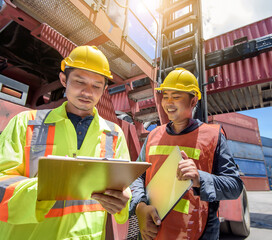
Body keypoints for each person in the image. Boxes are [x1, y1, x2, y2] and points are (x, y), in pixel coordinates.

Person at [0, 45, 131, 239]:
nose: (87, 92)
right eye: (79, 82)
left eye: (96, 86)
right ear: (64, 80)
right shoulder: (24, 123)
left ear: (104, 90)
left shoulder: (114, 134)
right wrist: (50, 188)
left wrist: (123, 201)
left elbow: (122, 188)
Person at [130, 68, 243, 240]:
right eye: (165, 96)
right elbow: (137, 176)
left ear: (193, 101)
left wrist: (200, 178)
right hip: (154, 232)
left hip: (197, 233)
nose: (168, 103)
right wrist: (140, 206)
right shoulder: (153, 136)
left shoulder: (213, 136)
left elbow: (234, 186)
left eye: (176, 97)